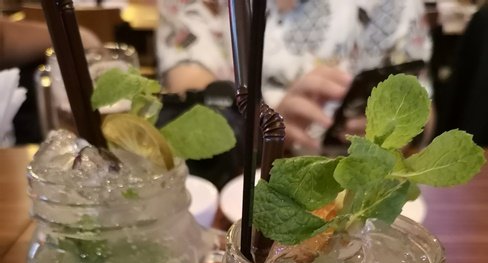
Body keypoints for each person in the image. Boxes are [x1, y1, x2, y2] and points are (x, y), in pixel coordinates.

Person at [157, 0, 432, 151]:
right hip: (242, 180)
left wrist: (398, 129)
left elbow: (426, 115)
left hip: (362, 180)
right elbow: (193, 112)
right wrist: (265, 128)